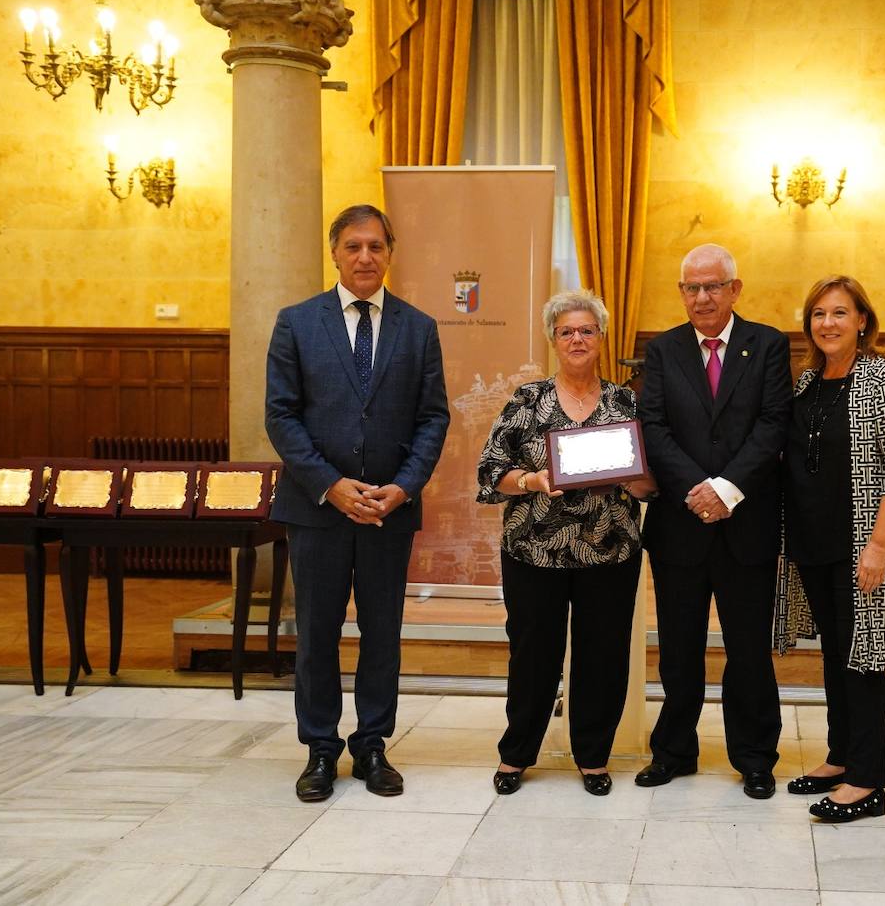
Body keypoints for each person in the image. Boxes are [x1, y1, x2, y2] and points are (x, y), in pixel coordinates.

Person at [265, 204, 450, 802]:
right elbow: (281, 416)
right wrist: (331, 485)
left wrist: (404, 486)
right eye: (353, 247)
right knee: (317, 633)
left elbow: (432, 417)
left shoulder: (417, 328)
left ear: (390, 252)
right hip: (318, 508)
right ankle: (320, 748)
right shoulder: (296, 323)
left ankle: (372, 745)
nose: (365, 257)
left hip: (387, 511)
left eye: (375, 246)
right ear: (335, 253)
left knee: (382, 634)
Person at [476, 290, 655, 797]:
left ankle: (593, 756)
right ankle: (517, 754)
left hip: (611, 549)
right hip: (534, 549)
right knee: (533, 653)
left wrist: (631, 477)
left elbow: (649, 485)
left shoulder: (627, 402)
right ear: (553, 339)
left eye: (587, 331)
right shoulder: (526, 400)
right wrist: (533, 481)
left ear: (601, 338)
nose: (577, 339)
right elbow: (491, 473)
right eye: (566, 331)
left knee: (603, 654)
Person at [635, 244, 793, 799]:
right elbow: (652, 426)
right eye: (691, 288)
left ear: (734, 289)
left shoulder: (768, 345)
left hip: (745, 525)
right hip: (681, 525)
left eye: (712, 286)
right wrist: (697, 490)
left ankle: (754, 757)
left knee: (748, 649)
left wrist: (726, 489)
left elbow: (774, 424)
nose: (702, 297)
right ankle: (674, 751)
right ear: (682, 293)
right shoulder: (662, 351)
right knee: (679, 649)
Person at [774, 274, 885, 822]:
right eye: (818, 315)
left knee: (863, 660)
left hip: (863, 543)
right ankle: (840, 757)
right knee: (836, 657)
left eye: (839, 313)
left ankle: (867, 779)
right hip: (813, 541)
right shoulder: (807, 382)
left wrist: (880, 546)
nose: (828, 324)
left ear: (862, 320)